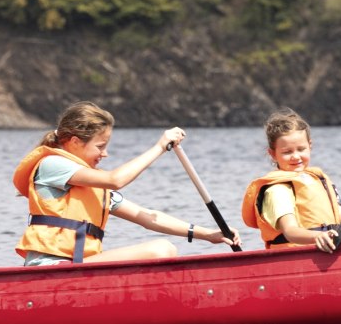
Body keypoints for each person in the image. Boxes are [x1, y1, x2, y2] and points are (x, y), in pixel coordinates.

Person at [14, 101, 239, 265]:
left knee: (165, 248)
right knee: (161, 249)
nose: (105, 154)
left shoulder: (93, 184)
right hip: (51, 269)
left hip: (76, 267)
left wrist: (208, 234)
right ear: (74, 142)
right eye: (100, 146)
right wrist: (160, 147)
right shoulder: (53, 165)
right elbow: (116, 180)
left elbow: (146, 216)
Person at [241, 109, 341, 253]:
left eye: (301, 149)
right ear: (273, 154)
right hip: (298, 258)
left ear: (310, 146)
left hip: (327, 251)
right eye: (287, 152)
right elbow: (290, 231)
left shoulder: (315, 180)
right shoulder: (277, 191)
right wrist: (317, 236)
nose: (296, 156)